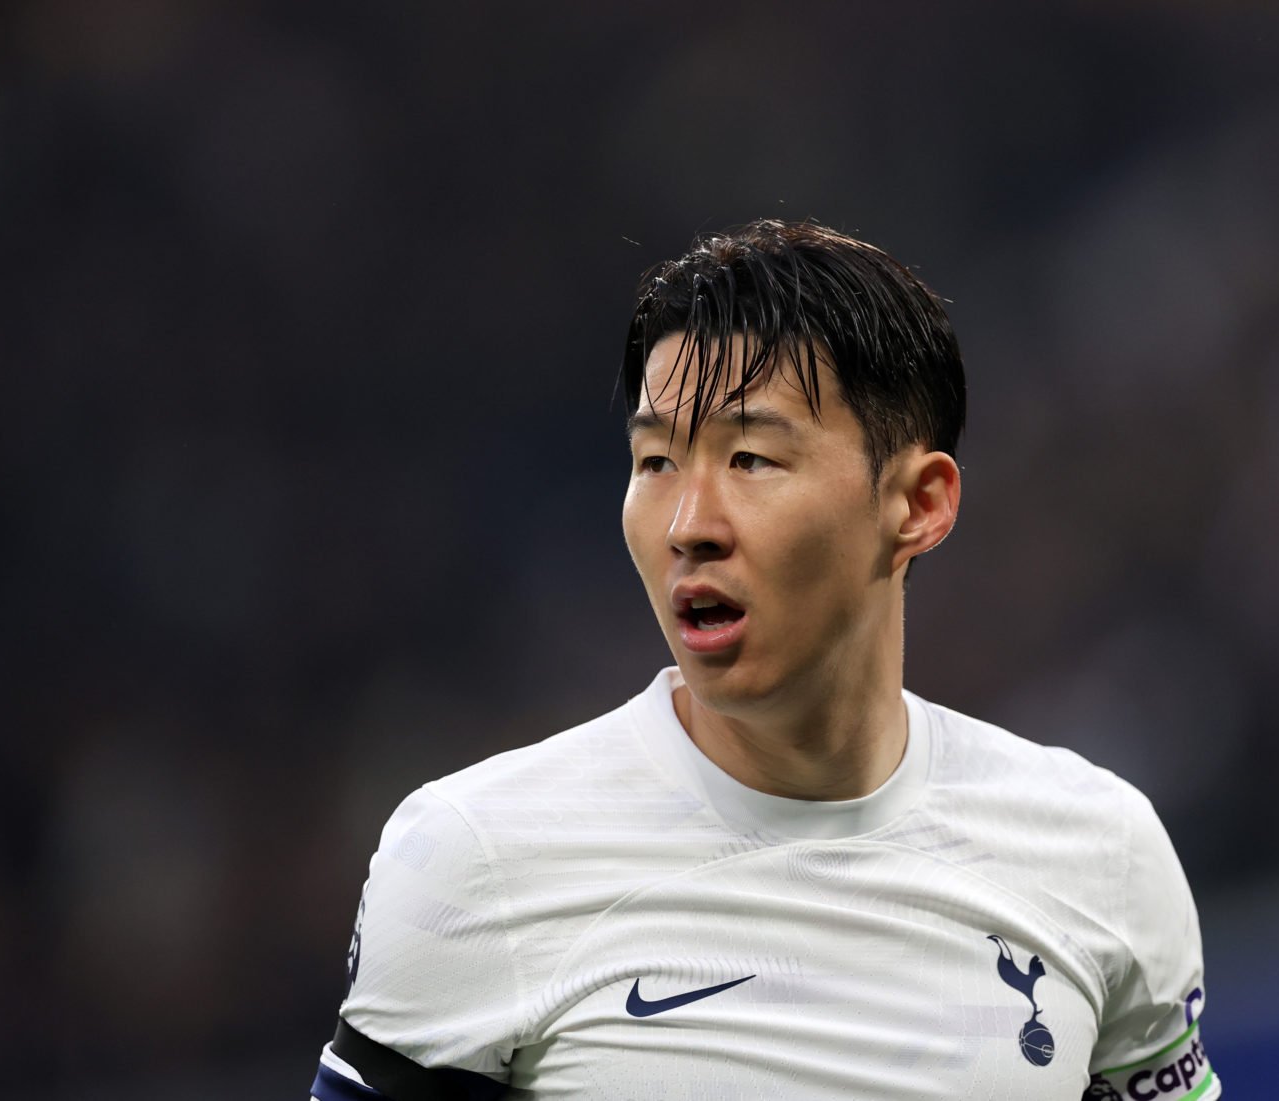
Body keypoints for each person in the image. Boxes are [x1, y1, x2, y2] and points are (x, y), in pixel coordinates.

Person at [309, 219, 1219, 1100]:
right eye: (656, 459)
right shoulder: (475, 859)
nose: (688, 525)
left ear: (920, 503)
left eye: (750, 458)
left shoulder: (1102, 855)